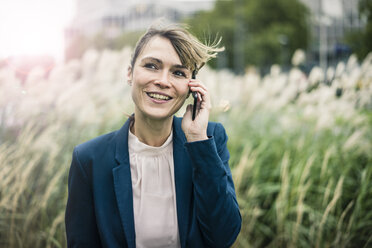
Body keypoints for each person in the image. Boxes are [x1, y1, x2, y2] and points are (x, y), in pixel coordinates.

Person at [65, 22, 241, 248]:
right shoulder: (89, 158)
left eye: (178, 72)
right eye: (151, 66)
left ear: (191, 88)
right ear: (130, 73)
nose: (163, 81)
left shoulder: (209, 139)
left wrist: (197, 139)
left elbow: (223, 237)